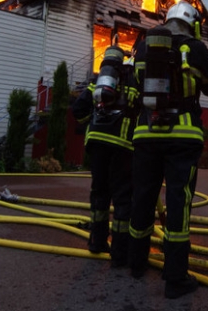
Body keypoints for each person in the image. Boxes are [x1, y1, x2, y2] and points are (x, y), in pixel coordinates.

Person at [128, 0, 208, 299]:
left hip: (145, 134)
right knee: (178, 202)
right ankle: (175, 278)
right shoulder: (195, 49)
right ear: (192, 24)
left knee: (142, 195)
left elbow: (134, 83)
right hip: (182, 137)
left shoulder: (144, 47)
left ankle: (136, 262)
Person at [72, 44, 139, 267]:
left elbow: (78, 109)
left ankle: (97, 242)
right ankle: (119, 253)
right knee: (122, 198)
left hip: (97, 145)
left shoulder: (96, 81)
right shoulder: (132, 80)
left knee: (99, 193)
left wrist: (90, 123)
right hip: (121, 146)